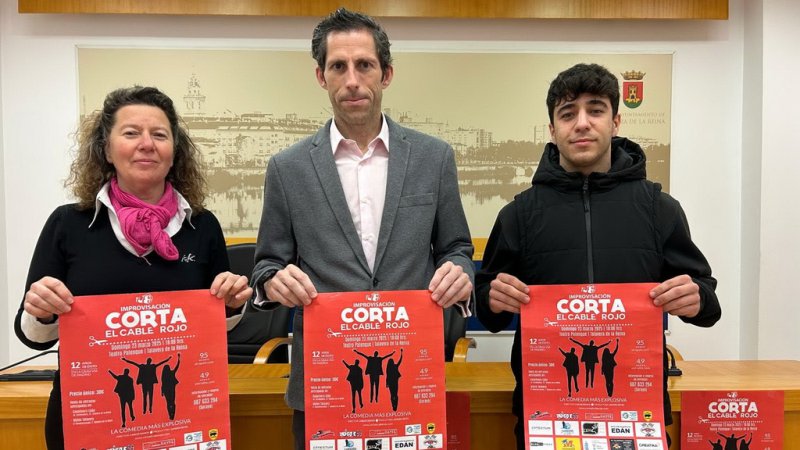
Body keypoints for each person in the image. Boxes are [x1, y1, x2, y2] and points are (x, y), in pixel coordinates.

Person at [249, 8, 474, 450]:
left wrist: (460, 271)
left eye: (364, 65)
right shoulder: (287, 168)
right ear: (321, 76)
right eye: (338, 66)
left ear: (386, 74)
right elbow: (266, 265)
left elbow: (456, 248)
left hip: (408, 375)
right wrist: (273, 281)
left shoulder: (434, 157)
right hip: (325, 383)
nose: (352, 80)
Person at [475, 63, 721, 449]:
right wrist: (492, 297)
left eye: (595, 110)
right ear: (552, 129)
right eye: (567, 113)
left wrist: (697, 298)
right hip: (546, 418)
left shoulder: (659, 208)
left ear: (615, 121)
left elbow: (708, 303)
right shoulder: (518, 214)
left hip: (638, 416)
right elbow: (486, 307)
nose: (582, 123)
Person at [13, 86, 253, 450]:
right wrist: (42, 310)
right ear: (107, 150)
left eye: (159, 135)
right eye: (131, 133)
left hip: (181, 421)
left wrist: (232, 303)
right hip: (87, 421)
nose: (146, 144)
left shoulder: (201, 226)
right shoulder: (68, 224)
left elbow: (216, 326)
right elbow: (32, 335)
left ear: (175, 153)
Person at [160, 353, 181, 420]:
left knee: (168, 403)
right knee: (173, 402)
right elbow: (177, 367)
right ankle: (173, 414)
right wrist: (179, 359)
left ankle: (170, 415)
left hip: (166, 391)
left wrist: (162, 392)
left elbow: (162, 384)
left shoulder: (163, 376)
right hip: (172, 390)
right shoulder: (172, 373)